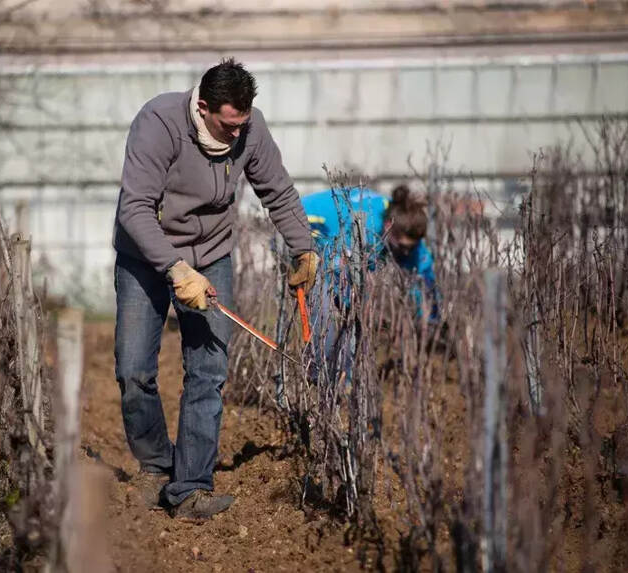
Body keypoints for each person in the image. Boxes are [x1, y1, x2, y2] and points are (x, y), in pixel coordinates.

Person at [112, 58, 319, 520]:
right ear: (203, 107)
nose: (236, 135)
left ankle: (190, 488)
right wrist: (175, 268)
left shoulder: (250, 129)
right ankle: (155, 465)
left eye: (242, 125)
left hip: (213, 254)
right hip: (147, 255)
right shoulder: (158, 123)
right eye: (228, 126)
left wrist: (303, 248)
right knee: (133, 371)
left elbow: (278, 192)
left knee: (208, 372)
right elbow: (136, 209)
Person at [300, 184, 437, 384]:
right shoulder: (362, 227)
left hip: (336, 247)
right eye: (402, 247)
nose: (406, 252)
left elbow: (422, 275)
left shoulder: (405, 226)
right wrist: (354, 308)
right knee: (326, 305)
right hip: (304, 226)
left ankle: (342, 375)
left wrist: (430, 319)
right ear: (389, 227)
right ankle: (323, 374)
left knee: (355, 309)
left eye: (411, 248)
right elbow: (339, 275)